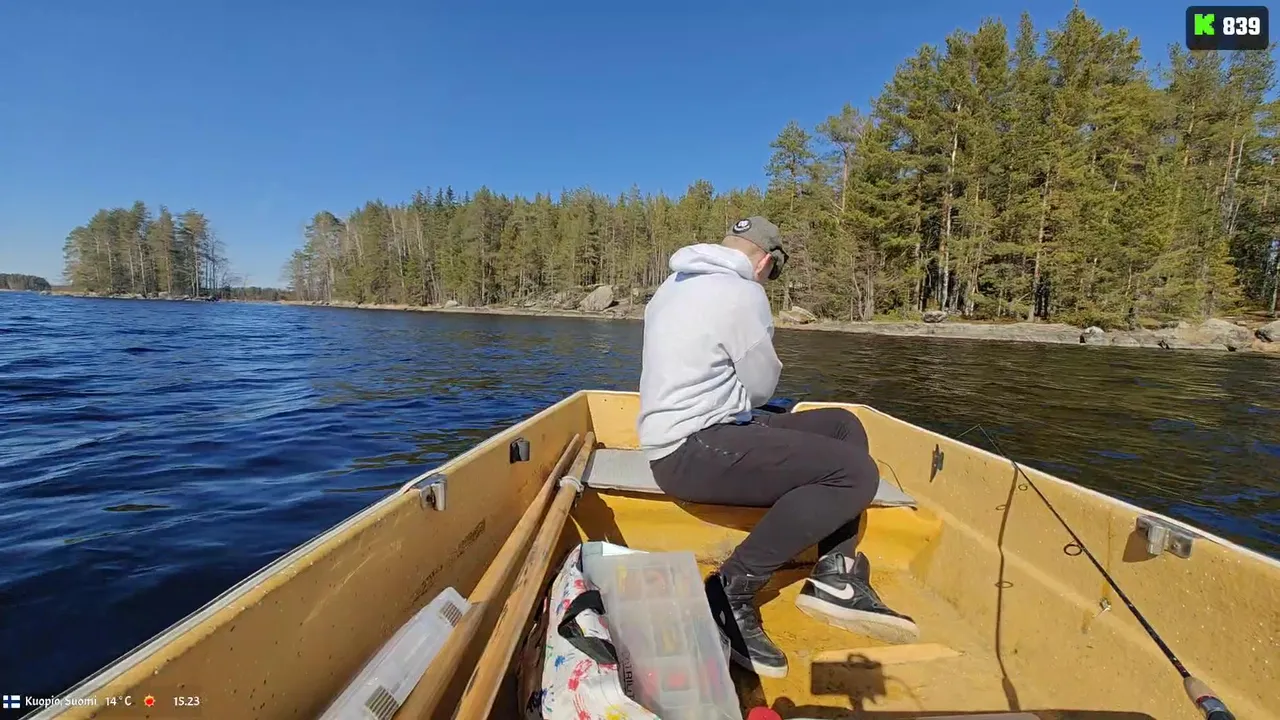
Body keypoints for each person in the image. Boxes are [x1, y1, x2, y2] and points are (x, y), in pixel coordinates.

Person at [636, 216, 918, 679]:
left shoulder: (674, 283)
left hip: (685, 436)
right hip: (693, 449)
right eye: (771, 273)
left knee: (843, 426)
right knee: (856, 474)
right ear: (764, 262)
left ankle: (835, 575)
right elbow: (761, 387)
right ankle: (730, 589)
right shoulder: (743, 292)